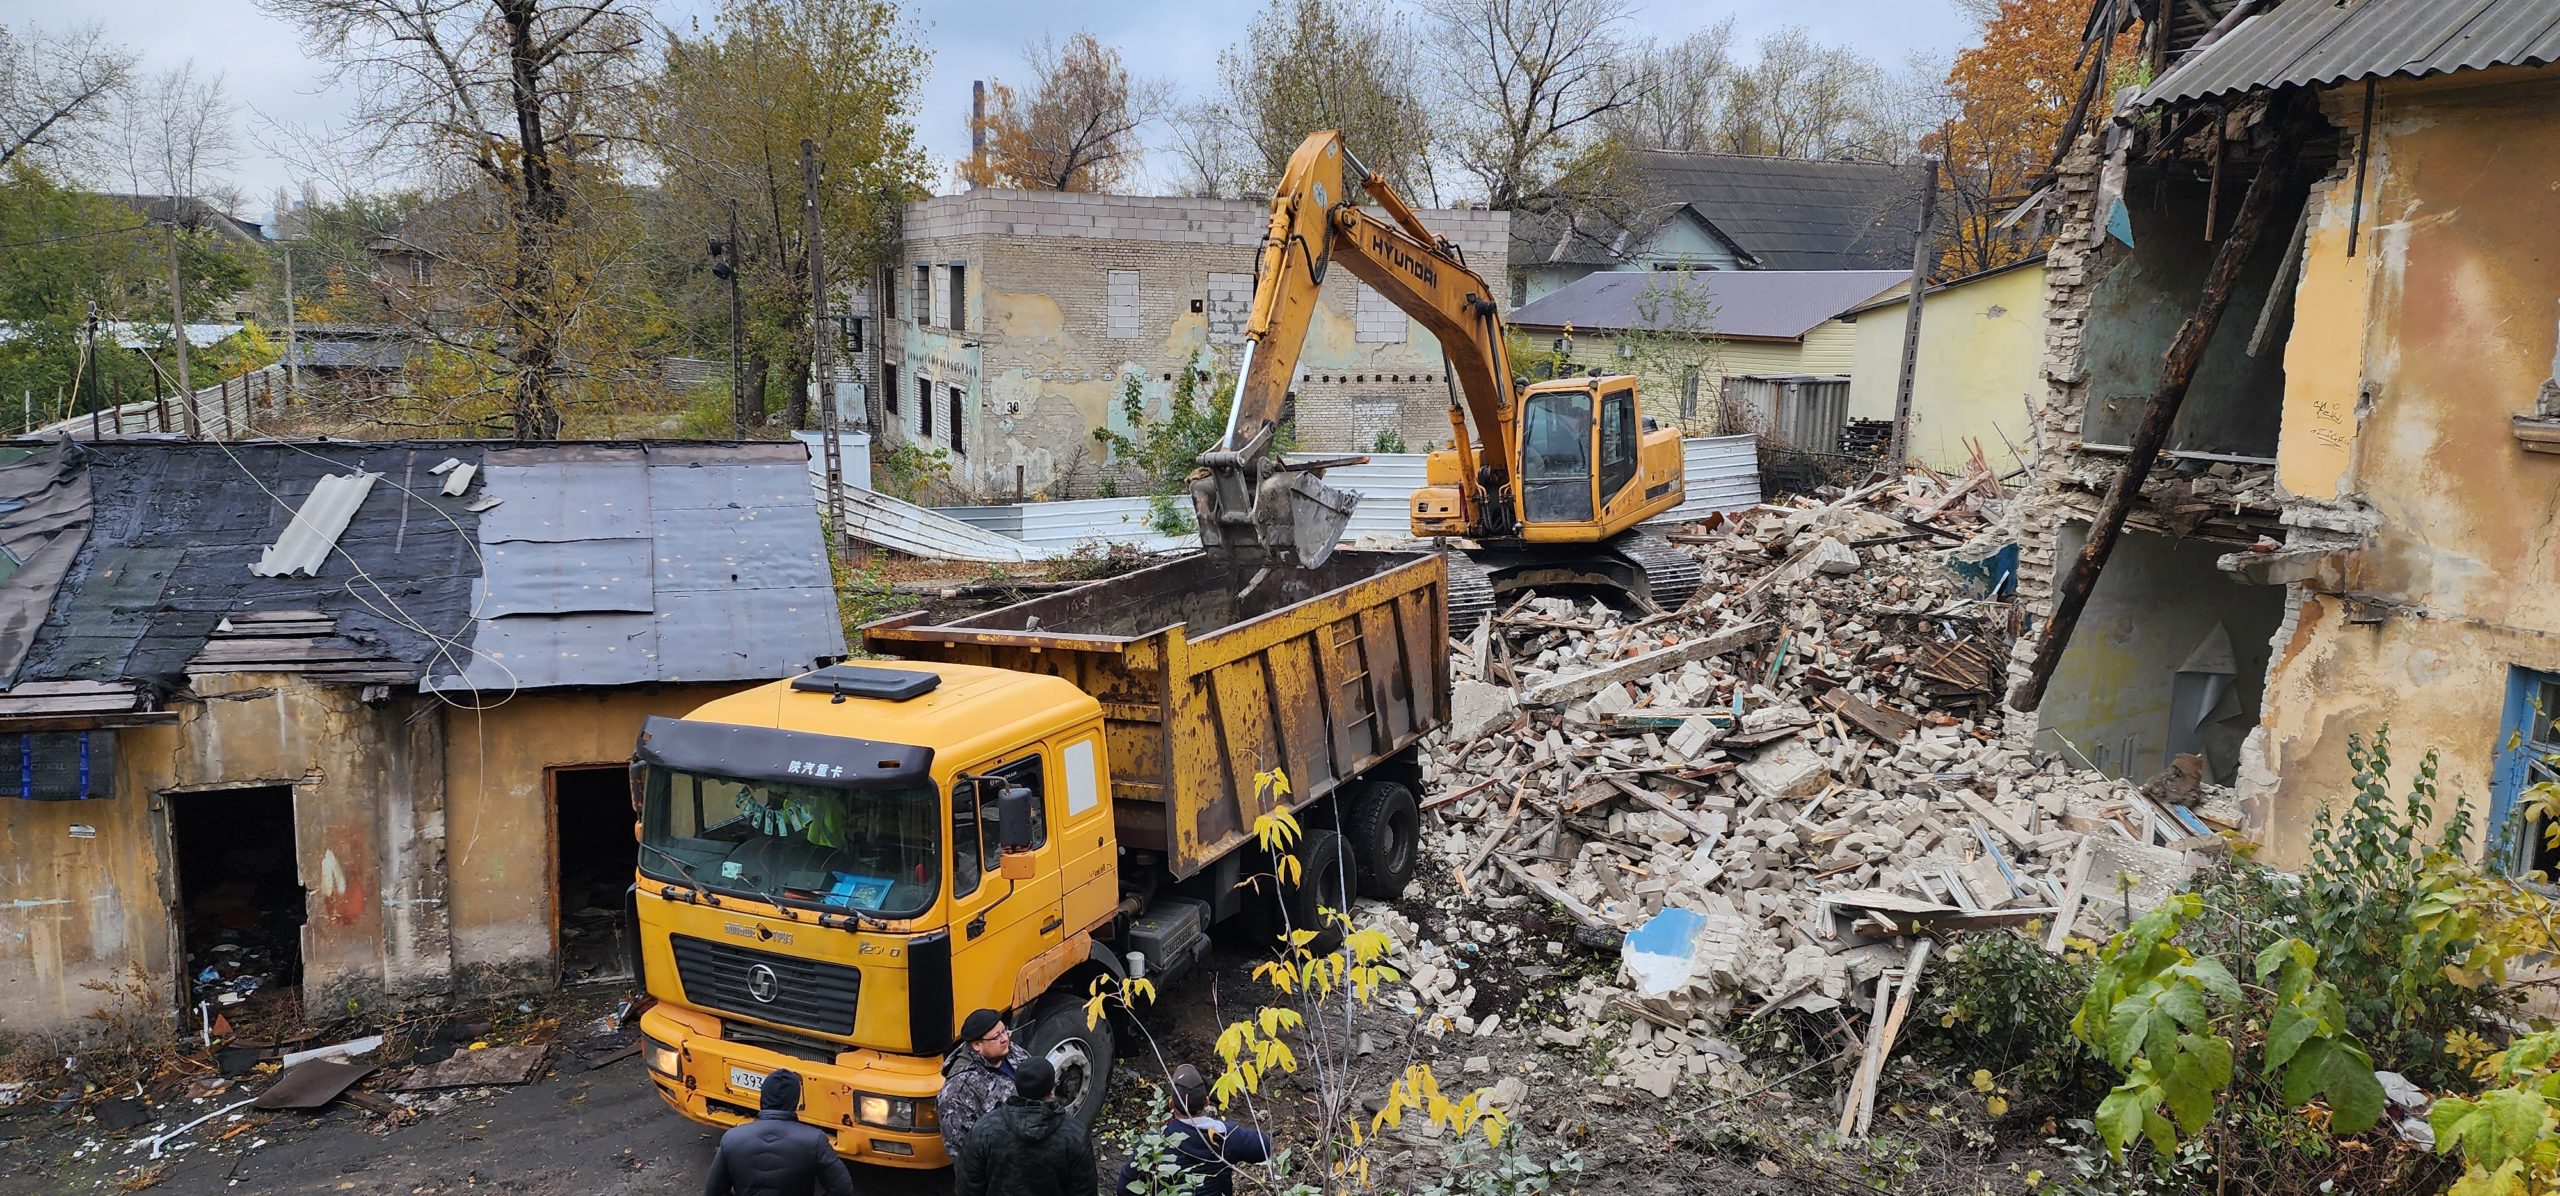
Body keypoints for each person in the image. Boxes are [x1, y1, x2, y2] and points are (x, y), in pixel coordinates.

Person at [1113, 1065, 1271, 1196]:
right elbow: (1264, 1147)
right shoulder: (1225, 1135)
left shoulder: (1155, 1142)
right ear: (1207, 1102)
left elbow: (1124, 1189)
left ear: (1170, 1104)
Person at [952, 1057, 1098, 1196]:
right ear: (1052, 1088)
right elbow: (1085, 1191)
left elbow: (968, 1188)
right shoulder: (1074, 1133)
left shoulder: (984, 1130)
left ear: (1017, 1085)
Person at [700, 1068, 854, 1196]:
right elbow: (842, 1189)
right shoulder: (815, 1140)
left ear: (762, 1097)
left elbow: (714, 1192)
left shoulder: (732, 1138)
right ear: (795, 1102)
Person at [941, 1007, 1029, 1158]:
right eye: (996, 1036)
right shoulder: (958, 1090)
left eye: (1004, 1031)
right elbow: (962, 1150)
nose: (1005, 1038)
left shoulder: (1008, 1050)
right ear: (976, 1045)